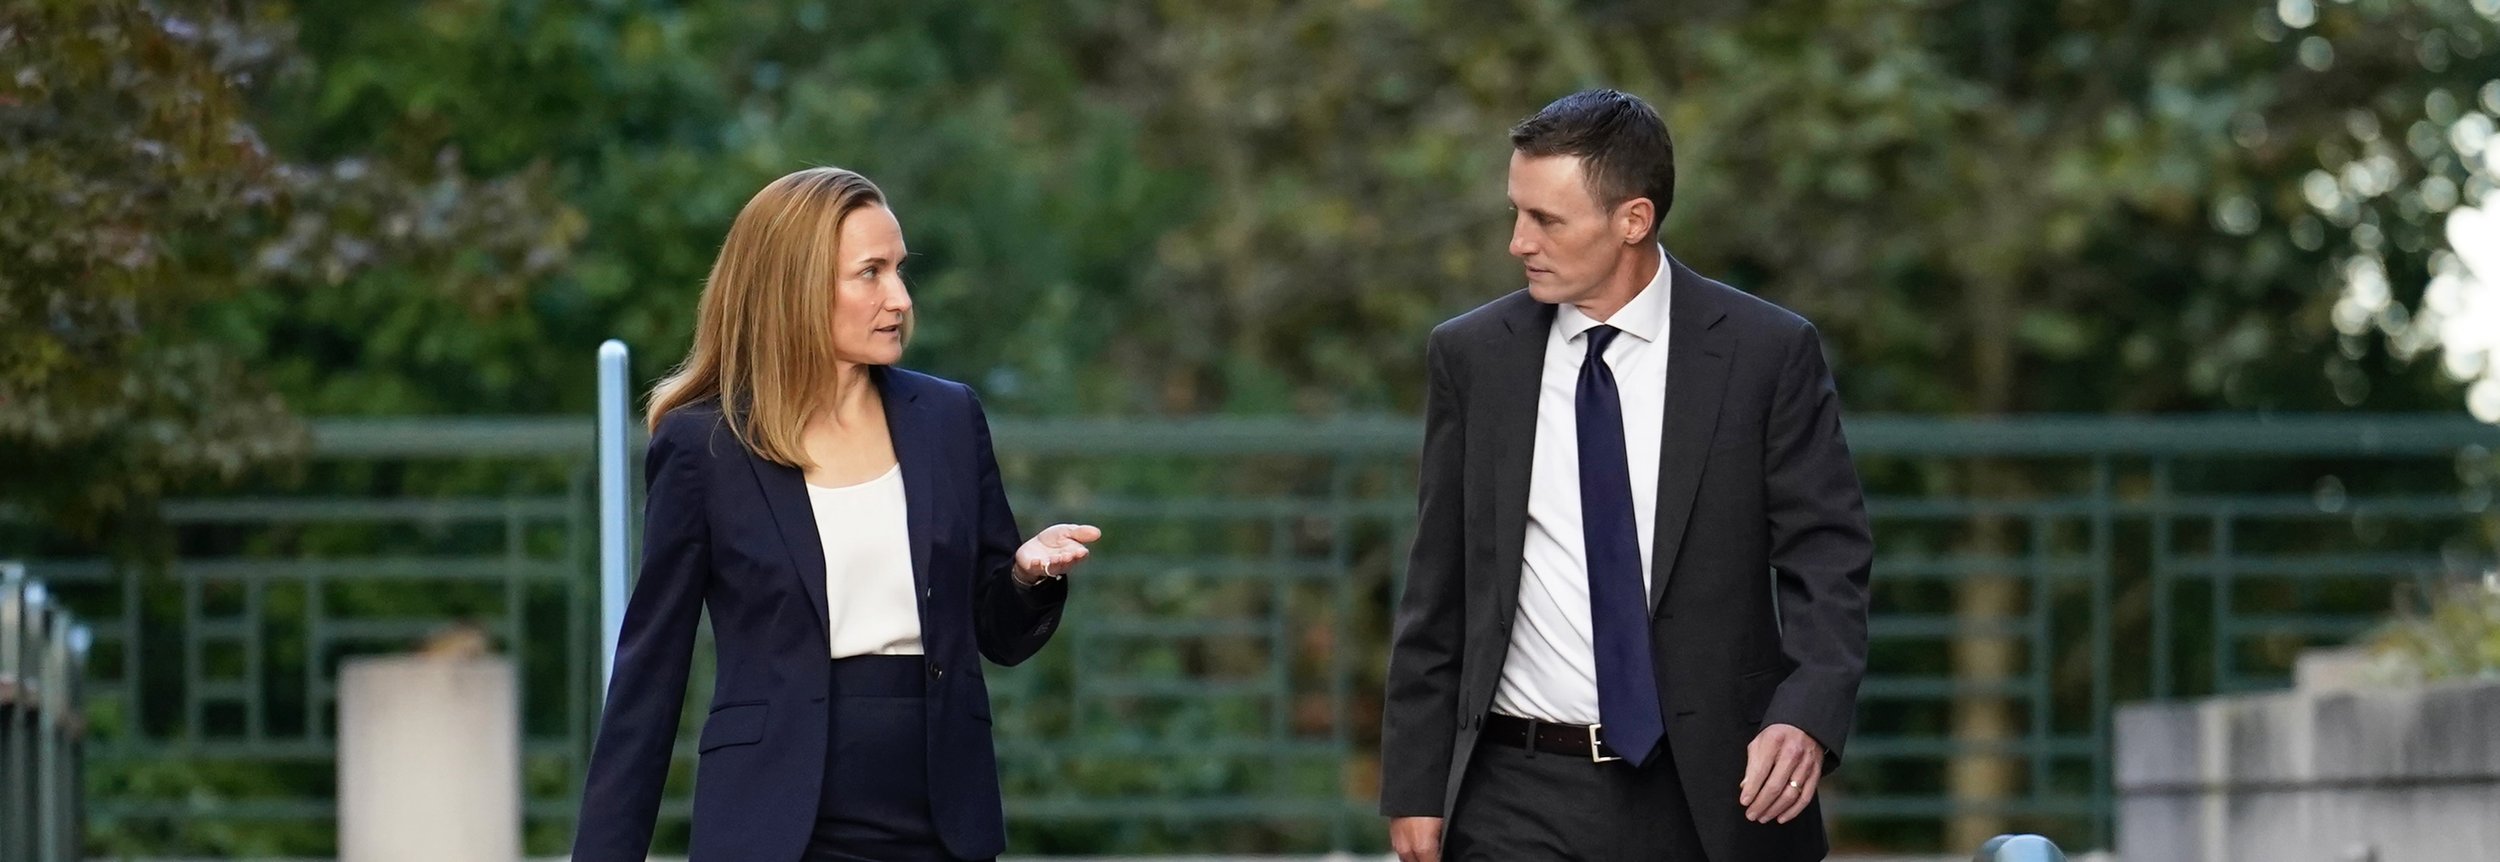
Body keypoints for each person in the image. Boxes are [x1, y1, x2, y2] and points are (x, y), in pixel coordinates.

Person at [1380, 89, 1873, 861]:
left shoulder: (1765, 352)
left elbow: (1828, 558)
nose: (1518, 242)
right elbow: (1438, 581)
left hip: (1711, 789)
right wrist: (1414, 783)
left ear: (1633, 220)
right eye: (1517, 211)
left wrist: (1806, 711)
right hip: (1513, 788)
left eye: (1546, 220)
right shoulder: (1474, 357)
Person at [573, 166, 1099, 862]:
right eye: (871, 273)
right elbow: (651, 670)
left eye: (899, 271)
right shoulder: (706, 446)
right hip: (775, 819)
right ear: (796, 286)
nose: (900, 299)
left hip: (942, 814)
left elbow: (995, 633)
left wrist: (1027, 577)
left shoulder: (947, 418)